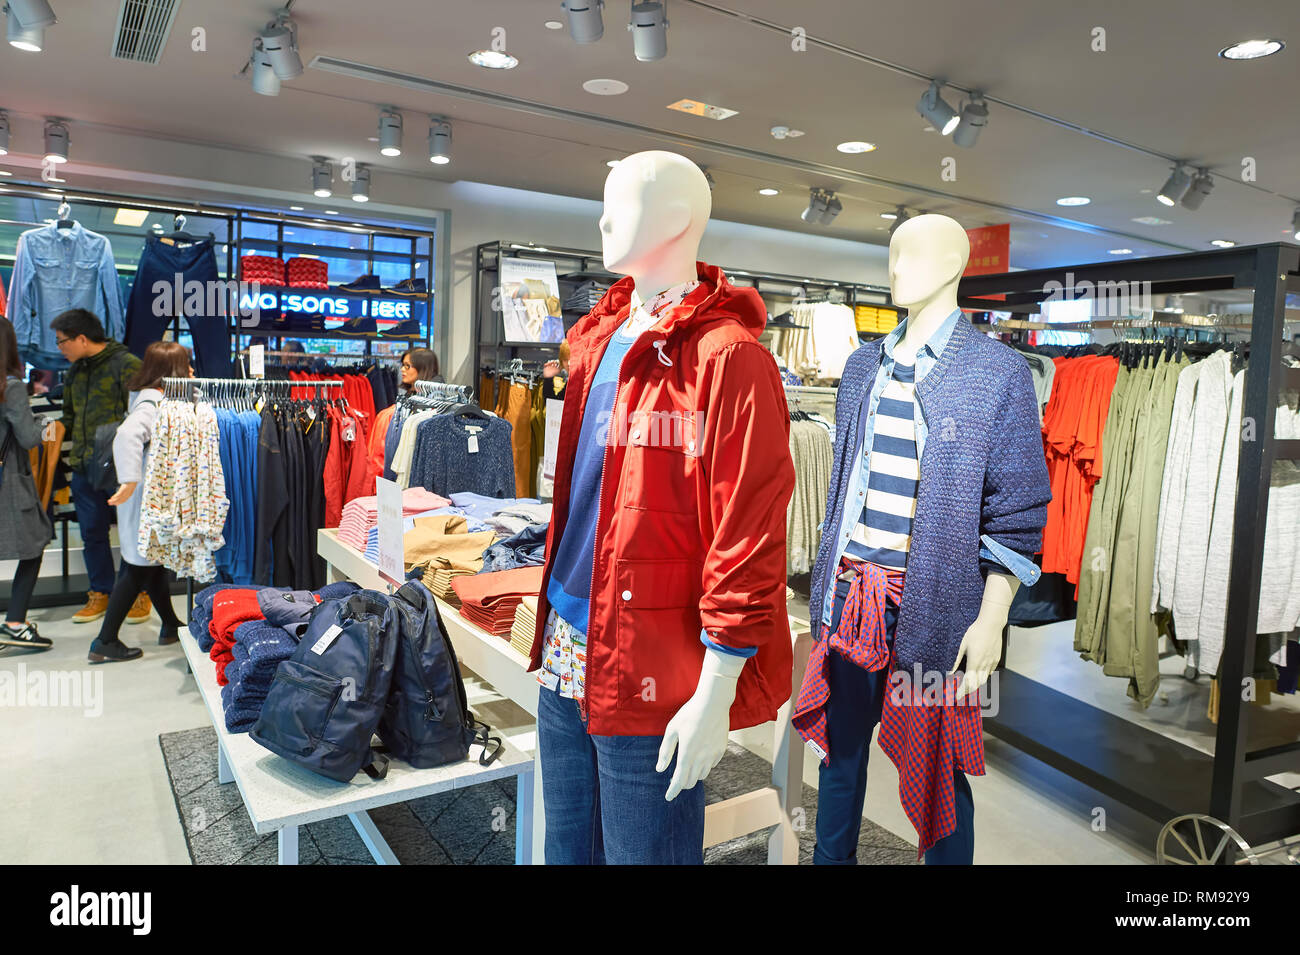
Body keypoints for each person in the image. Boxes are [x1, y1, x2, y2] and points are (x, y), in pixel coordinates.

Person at [87, 342, 191, 663]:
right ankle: (105, 640)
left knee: (150, 563)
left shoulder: (151, 399)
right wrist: (130, 480)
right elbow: (127, 435)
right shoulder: (152, 404)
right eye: (186, 366)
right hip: (144, 499)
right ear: (171, 372)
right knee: (137, 568)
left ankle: (170, 625)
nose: (190, 371)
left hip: (147, 499)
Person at [51, 308, 153, 626]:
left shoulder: (128, 365)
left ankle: (141, 592)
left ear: (82, 338)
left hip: (120, 466)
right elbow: (68, 416)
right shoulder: (75, 372)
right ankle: (100, 592)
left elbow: (144, 415)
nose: (59, 347)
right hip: (83, 465)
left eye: (62, 341)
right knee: (91, 532)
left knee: (132, 532)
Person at [0, 317, 54, 651]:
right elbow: (28, 438)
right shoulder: (11, 386)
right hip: (9, 482)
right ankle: (15, 621)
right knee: (35, 545)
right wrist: (43, 421)